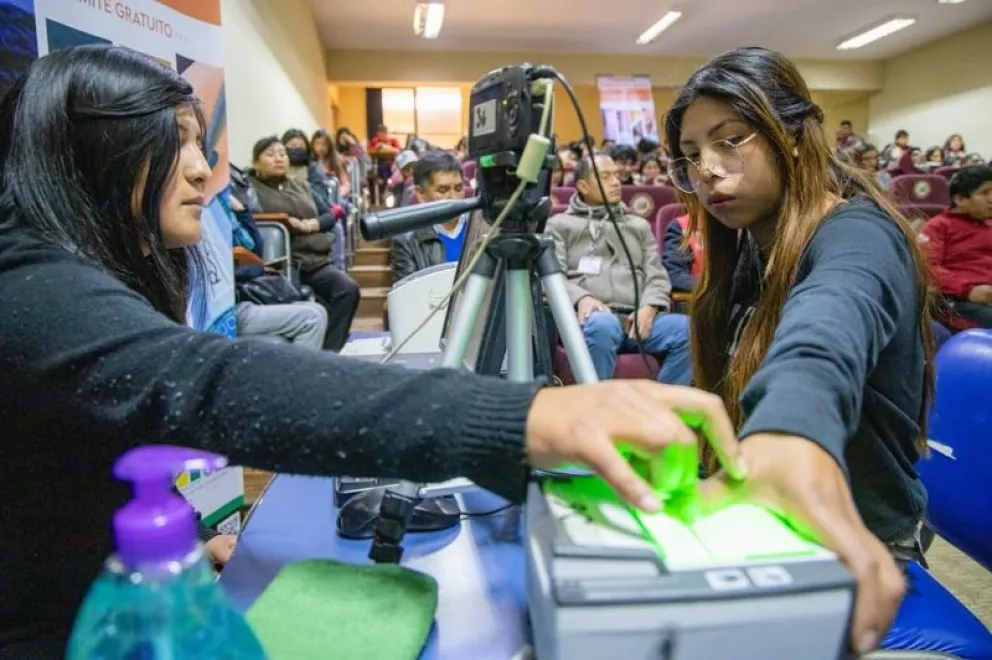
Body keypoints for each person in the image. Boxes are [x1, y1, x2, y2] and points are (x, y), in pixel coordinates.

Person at [0, 45, 745, 657]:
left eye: (202, 142)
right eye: (179, 143)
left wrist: (186, 542)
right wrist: (527, 417)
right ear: (96, 150)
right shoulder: (26, 282)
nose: (202, 169)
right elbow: (203, 383)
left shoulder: (73, 271)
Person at [664, 46, 935, 654]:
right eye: (690, 156)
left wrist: (788, 431)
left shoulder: (859, 233)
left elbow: (827, 329)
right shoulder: (750, 246)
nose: (706, 168)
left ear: (790, 136)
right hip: (771, 525)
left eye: (729, 140)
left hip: (853, 538)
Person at [545, 155, 692, 385]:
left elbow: (657, 275)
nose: (616, 182)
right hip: (590, 319)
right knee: (603, 325)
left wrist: (650, 306)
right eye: (605, 177)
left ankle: (662, 410)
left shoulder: (638, 226)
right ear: (583, 186)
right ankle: (596, 413)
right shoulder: (560, 225)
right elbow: (553, 277)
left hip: (636, 320)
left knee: (688, 331)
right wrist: (581, 297)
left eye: (616, 175)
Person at [247, 136, 360, 349]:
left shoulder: (301, 186)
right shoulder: (250, 189)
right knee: (299, 302)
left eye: (282, 154)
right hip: (278, 265)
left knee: (347, 289)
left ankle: (328, 352)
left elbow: (329, 215)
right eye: (270, 155)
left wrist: (308, 225)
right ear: (255, 162)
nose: (279, 159)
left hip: (313, 260)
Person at [918, 165, 992, 328]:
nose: (991, 199)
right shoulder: (938, 226)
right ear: (960, 199)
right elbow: (928, 269)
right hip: (958, 300)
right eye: (984, 193)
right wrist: (968, 290)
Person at [390, 150, 468, 283]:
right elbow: (409, 296)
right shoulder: (406, 241)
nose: (453, 197)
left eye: (459, 188)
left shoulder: (483, 227)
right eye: (443, 190)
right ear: (421, 194)